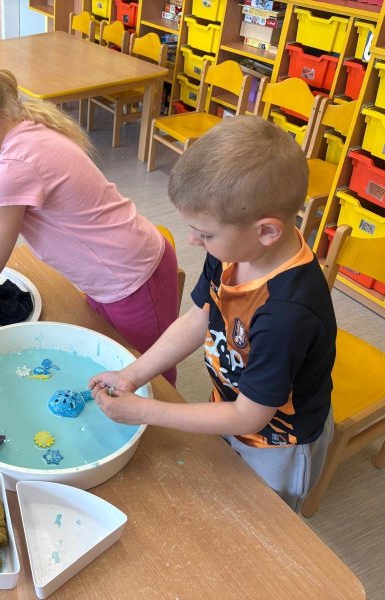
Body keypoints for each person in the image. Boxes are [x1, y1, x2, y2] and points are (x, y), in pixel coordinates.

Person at [89, 116, 336, 512]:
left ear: (267, 231)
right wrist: (133, 374)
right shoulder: (234, 251)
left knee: (261, 520)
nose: (192, 241)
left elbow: (248, 417)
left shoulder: (287, 315)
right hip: (231, 405)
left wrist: (146, 411)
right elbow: (198, 317)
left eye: (204, 234)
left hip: (277, 444)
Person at [0, 39, 180, 384]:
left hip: (133, 280)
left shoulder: (15, 166)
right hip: (114, 276)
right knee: (114, 363)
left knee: (150, 376)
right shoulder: (23, 131)